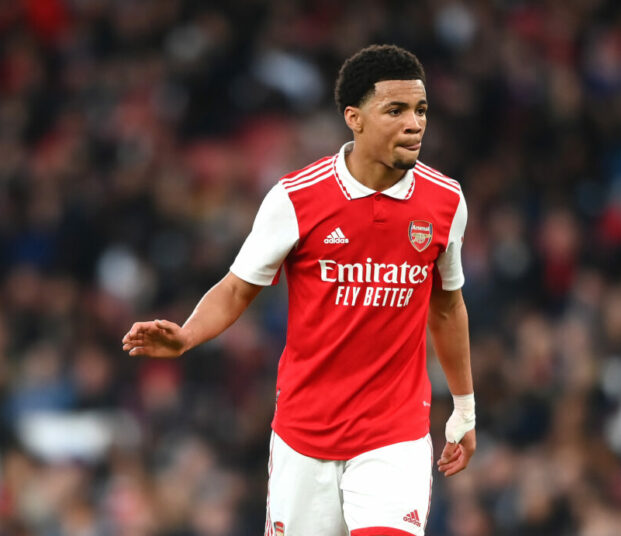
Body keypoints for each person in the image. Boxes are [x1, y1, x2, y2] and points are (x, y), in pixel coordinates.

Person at [122, 44, 475, 536]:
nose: (414, 123)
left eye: (420, 110)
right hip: (304, 434)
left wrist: (464, 407)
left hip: (394, 433)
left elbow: (447, 306)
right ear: (354, 117)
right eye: (395, 110)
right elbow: (236, 288)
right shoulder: (297, 198)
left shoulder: (444, 201)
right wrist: (186, 336)